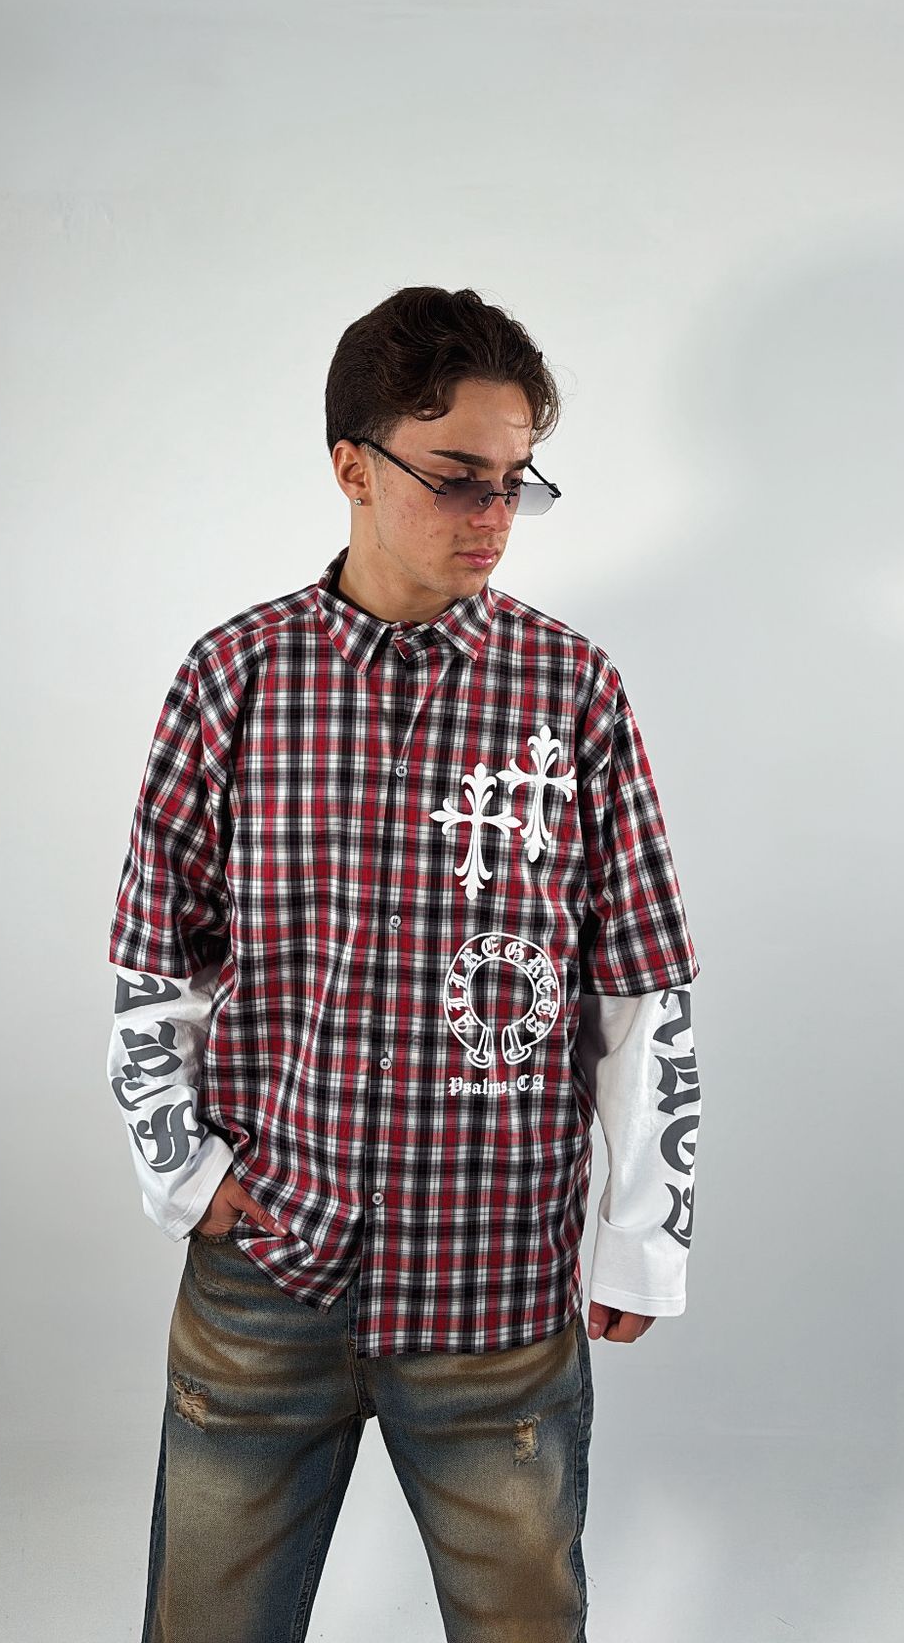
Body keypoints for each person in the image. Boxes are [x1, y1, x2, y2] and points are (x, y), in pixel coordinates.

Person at [107, 285, 702, 1643]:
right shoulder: (235, 679)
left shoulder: (572, 692)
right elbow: (155, 956)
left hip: (498, 1280)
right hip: (271, 1269)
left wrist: (644, 1233)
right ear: (354, 467)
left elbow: (637, 983)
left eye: (517, 479)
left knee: (522, 1623)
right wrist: (182, 1172)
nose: (494, 514)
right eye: (456, 476)